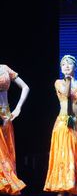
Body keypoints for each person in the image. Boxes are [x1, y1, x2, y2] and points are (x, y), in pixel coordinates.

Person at [44, 55, 77, 195]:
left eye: (69, 63)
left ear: (75, 67)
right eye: (63, 64)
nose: (66, 66)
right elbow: (67, 94)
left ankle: (76, 185)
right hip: (64, 123)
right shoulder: (58, 83)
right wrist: (67, 79)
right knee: (65, 154)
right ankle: (63, 187)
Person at [0, 64, 29, 194]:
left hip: (6, 117)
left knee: (7, 154)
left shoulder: (4, 68)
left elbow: (25, 87)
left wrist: (18, 108)